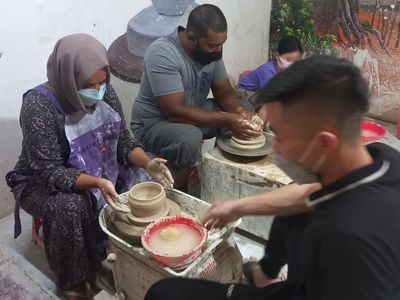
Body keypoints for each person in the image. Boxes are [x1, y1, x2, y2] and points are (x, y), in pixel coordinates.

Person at [144, 55, 400, 300]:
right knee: (294, 210)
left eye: (280, 136)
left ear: (325, 142)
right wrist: (237, 206)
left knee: (164, 293)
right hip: (313, 280)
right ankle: (264, 275)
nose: (275, 147)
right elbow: (308, 195)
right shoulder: (384, 159)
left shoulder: (348, 241)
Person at [5, 33, 173, 299]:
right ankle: (74, 280)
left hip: (97, 165)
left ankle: (119, 247)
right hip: (39, 180)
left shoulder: (103, 89)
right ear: (69, 78)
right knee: (72, 204)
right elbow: (50, 172)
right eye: (88, 85)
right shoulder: (38, 106)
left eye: (102, 83)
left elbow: (124, 143)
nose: (97, 91)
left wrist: (148, 163)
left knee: (144, 175)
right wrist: (96, 182)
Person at [131, 4, 261, 190]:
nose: (219, 50)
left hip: (190, 111)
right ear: (192, 37)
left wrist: (240, 113)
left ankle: (222, 169)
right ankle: (180, 191)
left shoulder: (212, 52)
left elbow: (224, 92)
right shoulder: (162, 52)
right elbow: (176, 113)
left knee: (244, 105)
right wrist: (229, 119)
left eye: (222, 43)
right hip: (154, 122)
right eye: (212, 45)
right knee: (190, 137)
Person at [237, 35, 303, 92]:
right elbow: (271, 98)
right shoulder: (267, 72)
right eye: (288, 60)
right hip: (243, 93)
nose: (292, 65)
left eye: (295, 62)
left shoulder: (284, 70)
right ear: (277, 56)